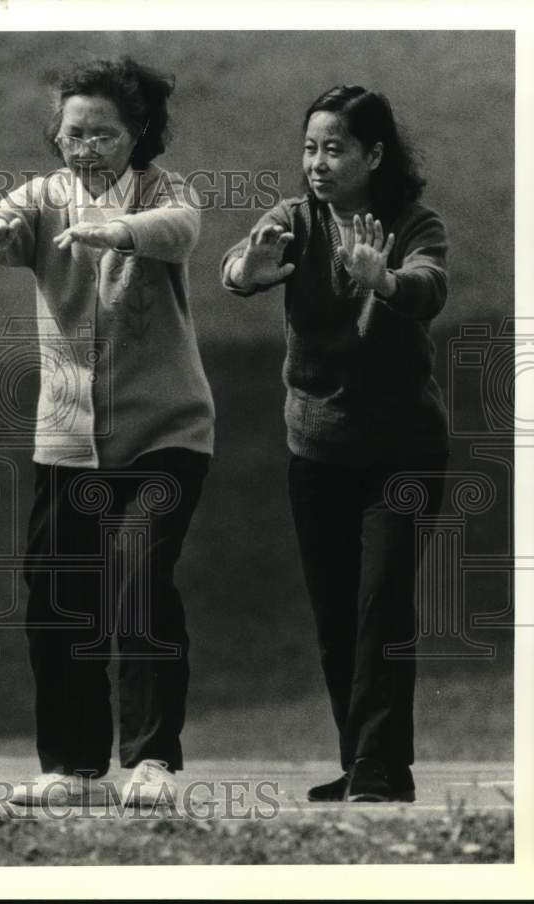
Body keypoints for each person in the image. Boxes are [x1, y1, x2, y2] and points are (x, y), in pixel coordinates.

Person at [0, 58, 215, 808]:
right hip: (69, 440)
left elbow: (181, 230)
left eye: (104, 134)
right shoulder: (40, 198)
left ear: (136, 135)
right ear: (56, 136)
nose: (87, 147)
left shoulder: (162, 191)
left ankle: (152, 760)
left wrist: (116, 229)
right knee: (58, 597)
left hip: (167, 431)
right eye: (74, 133)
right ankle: (71, 766)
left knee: (138, 580)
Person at [221, 85, 449, 803]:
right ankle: (367, 764)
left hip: (402, 454)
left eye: (335, 149)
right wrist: (246, 273)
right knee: (337, 617)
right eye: (310, 148)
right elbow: (242, 263)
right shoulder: (295, 219)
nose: (317, 163)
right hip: (317, 451)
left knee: (383, 604)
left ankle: (377, 768)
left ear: (373, 154)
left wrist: (384, 278)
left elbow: (429, 286)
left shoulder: (413, 221)